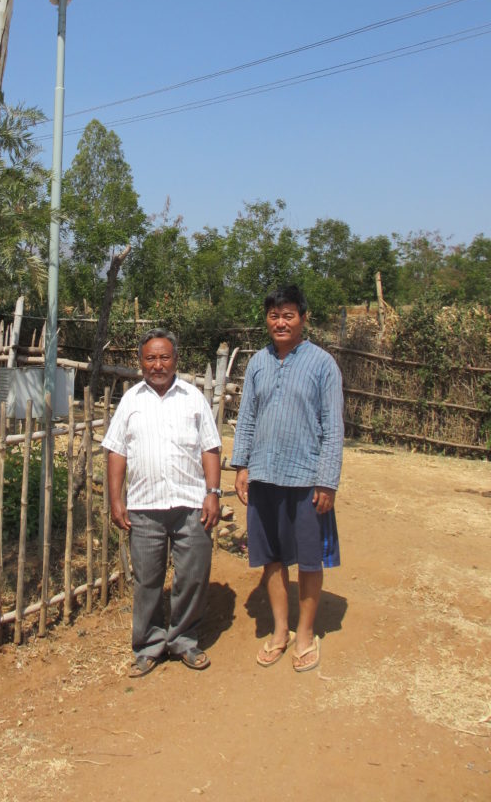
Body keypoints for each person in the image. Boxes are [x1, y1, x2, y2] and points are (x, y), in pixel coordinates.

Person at [231, 285, 343, 673]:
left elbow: (333, 427)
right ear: (267, 319)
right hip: (263, 475)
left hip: (306, 478)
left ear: (303, 318)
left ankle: (306, 633)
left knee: (310, 560)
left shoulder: (322, 364)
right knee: (272, 558)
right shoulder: (258, 363)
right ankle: (280, 631)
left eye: (288, 315)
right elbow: (246, 418)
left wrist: (327, 480)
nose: (280, 322)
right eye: (274, 315)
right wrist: (242, 466)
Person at [103, 328, 222, 677]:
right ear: (141, 362)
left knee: (193, 576)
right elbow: (116, 451)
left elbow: (210, 448)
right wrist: (116, 500)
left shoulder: (193, 398)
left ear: (176, 360)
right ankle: (149, 646)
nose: (158, 364)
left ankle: (184, 639)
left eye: (164, 357)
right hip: (145, 506)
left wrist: (212, 494)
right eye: (151, 358)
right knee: (148, 581)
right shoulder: (131, 401)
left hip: (190, 504)